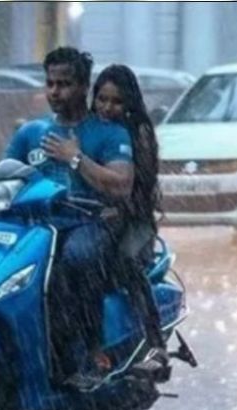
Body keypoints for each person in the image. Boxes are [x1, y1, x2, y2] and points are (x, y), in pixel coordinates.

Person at [4, 47, 134, 388]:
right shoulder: (31, 133)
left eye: (64, 84)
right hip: (38, 229)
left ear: (83, 87)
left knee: (71, 262)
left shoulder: (108, 133)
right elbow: (2, 174)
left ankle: (90, 354)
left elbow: (121, 184)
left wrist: (76, 159)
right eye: (49, 83)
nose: (54, 92)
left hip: (90, 226)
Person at [90, 64, 169, 370]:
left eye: (116, 102)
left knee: (123, 262)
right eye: (102, 99)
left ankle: (154, 342)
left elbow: (140, 185)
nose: (108, 108)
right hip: (92, 219)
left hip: (134, 222)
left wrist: (117, 208)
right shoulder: (88, 129)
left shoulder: (139, 133)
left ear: (129, 103)